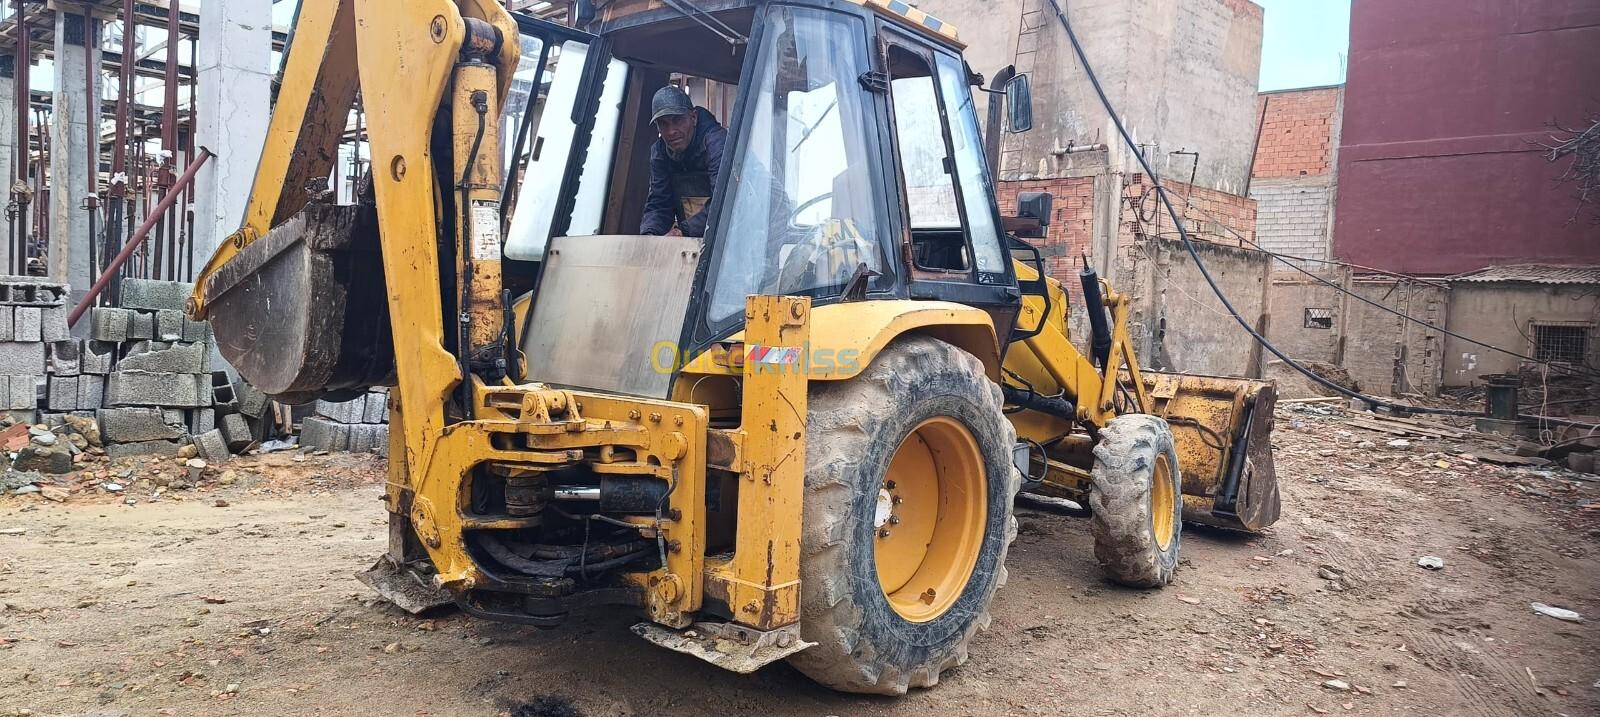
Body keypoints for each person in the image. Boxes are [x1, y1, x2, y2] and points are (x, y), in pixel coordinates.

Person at [639, 86, 727, 237]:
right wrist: (650, 234)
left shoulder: (717, 144)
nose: (671, 131)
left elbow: (724, 202)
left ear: (693, 118)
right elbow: (660, 203)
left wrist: (682, 232)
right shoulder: (660, 153)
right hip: (697, 234)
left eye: (678, 120)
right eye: (663, 124)